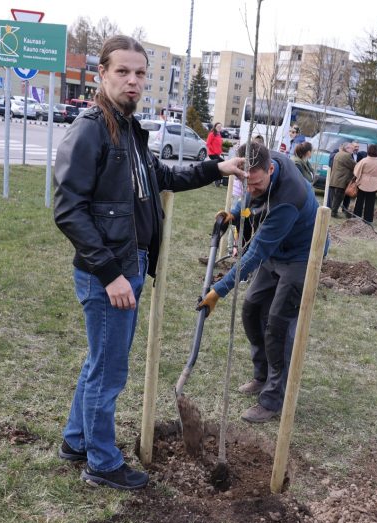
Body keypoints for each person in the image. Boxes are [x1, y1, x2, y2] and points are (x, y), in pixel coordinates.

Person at [52, 35, 246, 490]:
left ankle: (76, 440)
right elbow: (68, 209)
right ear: (102, 74)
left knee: (99, 360)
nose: (133, 81)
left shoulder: (129, 130)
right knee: (110, 368)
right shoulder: (91, 129)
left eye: (140, 73)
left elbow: (162, 177)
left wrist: (217, 168)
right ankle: (101, 462)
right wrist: (111, 274)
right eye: (123, 72)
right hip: (112, 271)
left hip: (129, 263)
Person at [197, 141, 323, 423]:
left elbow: (255, 254)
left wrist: (218, 290)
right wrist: (235, 211)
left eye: (257, 184)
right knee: (252, 309)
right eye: (247, 184)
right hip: (277, 249)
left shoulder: (288, 198)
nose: (252, 190)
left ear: (271, 169)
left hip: (302, 254)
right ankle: (262, 375)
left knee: (277, 322)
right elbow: (252, 201)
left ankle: (273, 399)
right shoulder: (262, 162)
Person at [352, 143, 377, 223]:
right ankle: (368, 219)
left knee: (359, 200)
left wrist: (358, 179)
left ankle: (356, 216)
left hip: (363, 182)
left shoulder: (364, 160)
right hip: (373, 183)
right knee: (370, 202)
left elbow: (357, 171)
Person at [328, 142, 355, 218]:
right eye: (351, 148)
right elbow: (354, 165)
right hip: (341, 180)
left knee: (334, 197)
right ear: (346, 148)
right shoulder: (347, 155)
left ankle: (332, 212)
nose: (353, 150)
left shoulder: (338, 153)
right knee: (338, 198)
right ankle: (333, 213)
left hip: (334, 179)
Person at [207, 122, 225, 186]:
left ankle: (216, 180)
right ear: (215, 127)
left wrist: (221, 151)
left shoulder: (218, 134)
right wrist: (213, 151)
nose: (219, 128)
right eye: (218, 127)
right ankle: (217, 180)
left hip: (217, 154)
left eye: (220, 127)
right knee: (222, 163)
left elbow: (219, 145)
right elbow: (208, 144)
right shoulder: (212, 134)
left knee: (217, 166)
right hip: (212, 154)